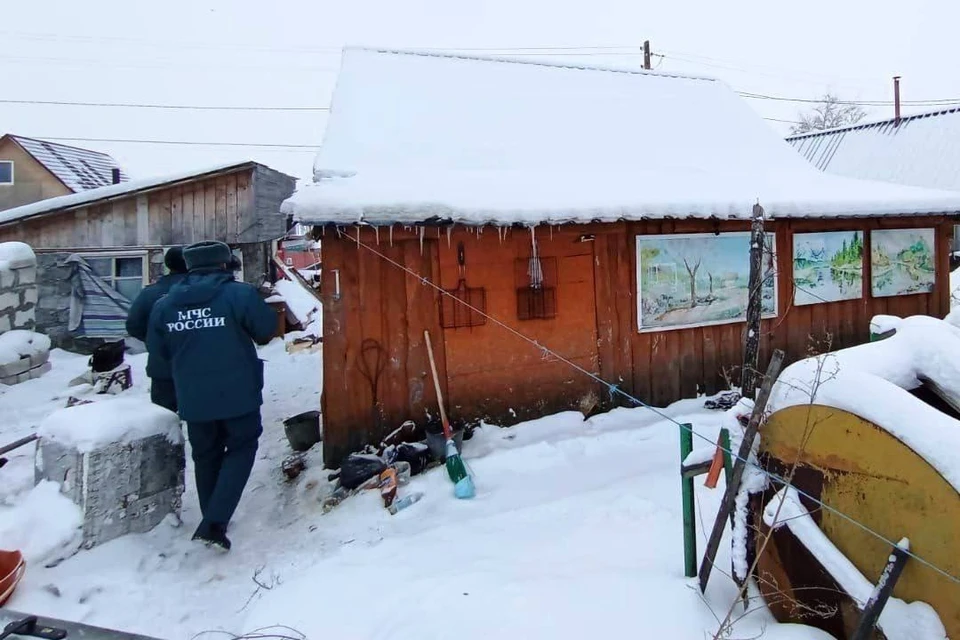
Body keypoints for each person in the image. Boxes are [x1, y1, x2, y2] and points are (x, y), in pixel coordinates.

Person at [147, 241, 277, 551]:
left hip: (193, 396)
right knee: (242, 446)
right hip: (238, 392)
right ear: (224, 265)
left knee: (205, 455)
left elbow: (159, 355)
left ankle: (212, 516)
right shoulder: (239, 294)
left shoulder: (164, 305)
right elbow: (265, 330)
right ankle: (215, 522)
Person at [125, 246, 188, 412]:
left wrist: (154, 339)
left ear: (168, 265)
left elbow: (133, 325)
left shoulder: (150, 293)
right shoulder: (203, 290)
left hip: (162, 367)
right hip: (199, 367)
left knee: (165, 420)